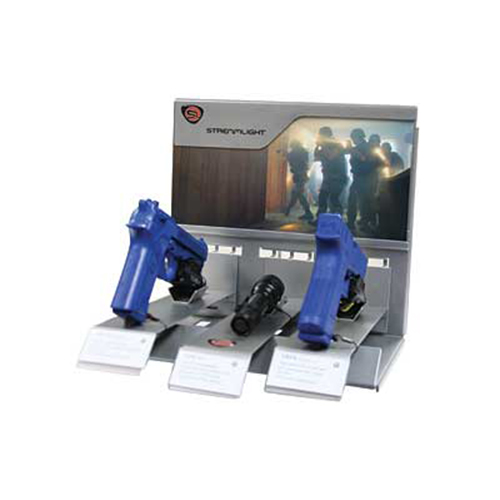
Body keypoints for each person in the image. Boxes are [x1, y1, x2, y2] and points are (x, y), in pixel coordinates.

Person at [313, 126, 348, 222]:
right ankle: (320, 219)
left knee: (333, 199)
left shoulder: (336, 144)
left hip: (338, 177)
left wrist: (322, 146)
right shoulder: (324, 145)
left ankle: (337, 219)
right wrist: (317, 146)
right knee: (322, 198)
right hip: (328, 177)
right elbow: (316, 158)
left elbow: (331, 157)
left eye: (321, 134)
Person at [348, 128, 375, 232]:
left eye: (353, 137)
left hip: (364, 178)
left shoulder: (366, 147)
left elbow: (364, 159)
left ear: (357, 137)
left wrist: (352, 150)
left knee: (362, 201)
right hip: (360, 177)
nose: (352, 139)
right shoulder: (361, 147)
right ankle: (355, 222)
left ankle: (362, 223)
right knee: (357, 200)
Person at [285, 140, 314, 221]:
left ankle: (308, 212)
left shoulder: (296, 153)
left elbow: (293, 160)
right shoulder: (302, 152)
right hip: (300, 176)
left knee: (298, 194)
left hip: (300, 176)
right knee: (296, 193)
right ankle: (288, 210)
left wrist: (286, 154)